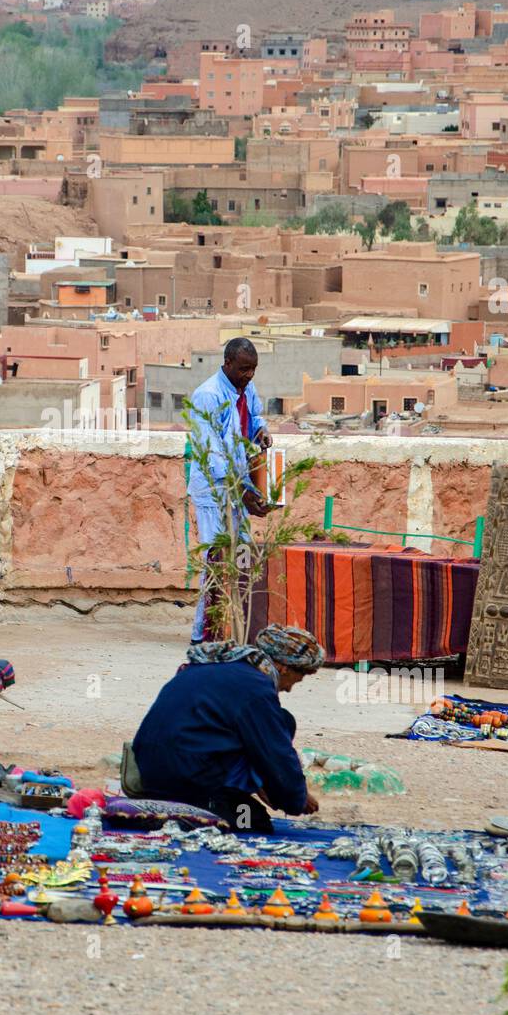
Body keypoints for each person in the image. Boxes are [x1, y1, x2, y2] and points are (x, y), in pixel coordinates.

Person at [132, 624, 325, 832]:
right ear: (284, 667)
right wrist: (296, 797)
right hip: (189, 780)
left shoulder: (212, 667)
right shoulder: (254, 686)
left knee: (282, 720)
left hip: (151, 774)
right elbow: (275, 751)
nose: (288, 688)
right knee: (254, 821)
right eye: (298, 678)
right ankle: (196, 813)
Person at [186, 337, 272, 642]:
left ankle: (236, 628)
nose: (249, 375)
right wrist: (242, 491)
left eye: (253, 369)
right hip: (214, 489)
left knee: (243, 555)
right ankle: (203, 634)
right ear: (227, 364)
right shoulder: (207, 395)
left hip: (238, 485)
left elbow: (255, 420)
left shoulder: (246, 389)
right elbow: (210, 452)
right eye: (244, 369)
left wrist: (261, 432)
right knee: (217, 557)